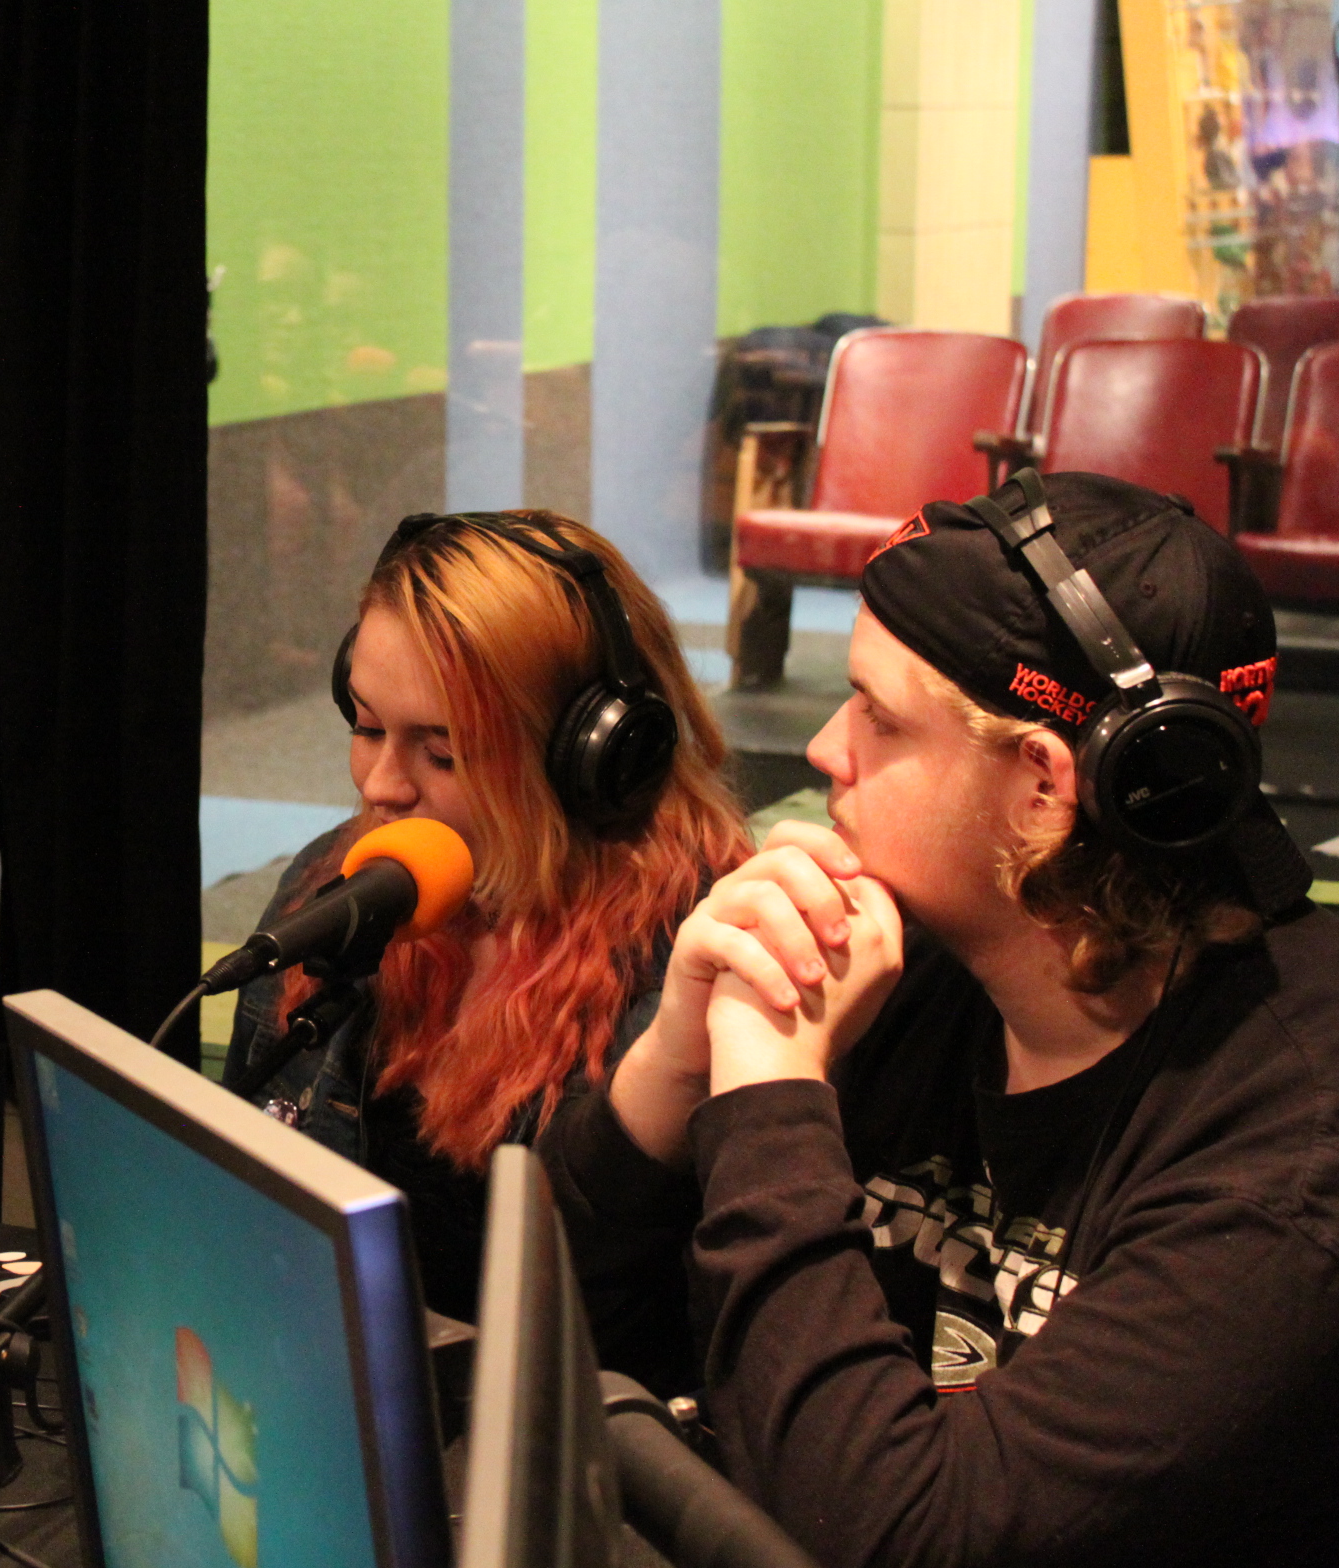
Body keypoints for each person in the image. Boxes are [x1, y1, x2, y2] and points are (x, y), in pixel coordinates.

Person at [542, 469, 1339, 1562]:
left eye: (875, 712)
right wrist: (677, 1063)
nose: (825, 747)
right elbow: (560, 1352)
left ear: (1043, 789)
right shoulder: (910, 962)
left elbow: (909, 1536)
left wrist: (773, 1100)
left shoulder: (1291, 1152)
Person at [224, 510, 748, 1320]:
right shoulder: (340, 879)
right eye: (366, 727)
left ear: (593, 758)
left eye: (443, 753)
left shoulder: (700, 962)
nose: (380, 786)